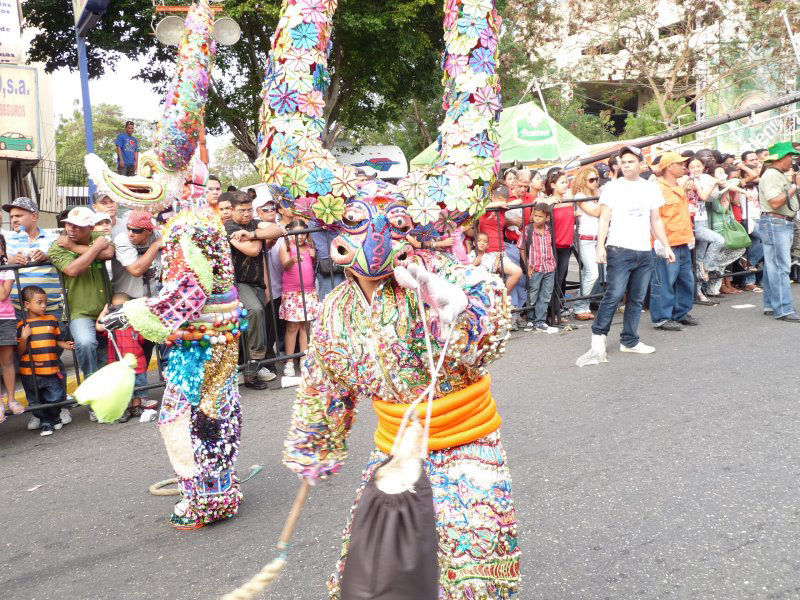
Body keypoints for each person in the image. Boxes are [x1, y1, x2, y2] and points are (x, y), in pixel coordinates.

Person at [576, 146, 674, 366]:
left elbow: (656, 219)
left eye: (631, 161)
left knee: (637, 298)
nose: (627, 165)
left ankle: (629, 340)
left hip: (643, 249)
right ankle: (598, 337)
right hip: (619, 247)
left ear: (641, 164)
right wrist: (600, 246)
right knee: (614, 294)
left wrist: (665, 245)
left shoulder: (650, 188)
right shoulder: (612, 187)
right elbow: (603, 218)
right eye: (624, 161)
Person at [49, 207, 114, 383]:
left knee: (107, 354)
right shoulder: (58, 245)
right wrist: (91, 249)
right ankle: (92, 385)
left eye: (77, 226)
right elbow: (73, 269)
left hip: (107, 307)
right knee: (85, 344)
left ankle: (112, 397)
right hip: (79, 310)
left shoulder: (98, 237)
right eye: (69, 224)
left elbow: (108, 253)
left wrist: (75, 248)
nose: (71, 229)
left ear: (91, 228)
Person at [224, 191, 276, 386]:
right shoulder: (229, 226)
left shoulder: (253, 225)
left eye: (249, 210)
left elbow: (277, 230)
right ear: (232, 210)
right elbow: (253, 250)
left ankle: (251, 376)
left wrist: (253, 234)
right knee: (254, 311)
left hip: (257, 282)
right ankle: (255, 359)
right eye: (241, 210)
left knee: (253, 324)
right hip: (238, 282)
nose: (246, 214)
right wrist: (259, 238)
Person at [16, 286, 74, 436]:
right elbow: (20, 351)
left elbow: (56, 340)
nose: (44, 305)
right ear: (27, 305)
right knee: (35, 401)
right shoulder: (22, 325)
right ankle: (46, 423)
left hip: (50, 369)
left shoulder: (52, 319)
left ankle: (53, 417)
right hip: (30, 372)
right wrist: (23, 337)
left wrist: (65, 345)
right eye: (39, 302)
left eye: (45, 302)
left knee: (55, 397)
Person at [650, 152, 697, 331]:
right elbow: (653, 218)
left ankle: (681, 313)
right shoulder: (658, 188)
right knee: (665, 281)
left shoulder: (676, 186)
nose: (684, 167)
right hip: (668, 243)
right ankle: (662, 317)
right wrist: (658, 241)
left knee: (686, 280)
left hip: (683, 240)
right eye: (680, 164)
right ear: (669, 167)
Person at [757, 142, 800, 322]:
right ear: (782, 158)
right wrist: (794, 187)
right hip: (776, 222)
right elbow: (775, 202)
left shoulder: (775, 174)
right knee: (780, 266)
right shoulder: (773, 175)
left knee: (772, 266)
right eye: (791, 157)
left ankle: (771, 304)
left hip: (777, 222)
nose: (792, 161)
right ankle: (783, 309)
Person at [3, 196, 62, 321]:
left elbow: (62, 258)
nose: (14, 220)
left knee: (53, 341)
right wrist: (13, 260)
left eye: (18, 216)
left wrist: (47, 257)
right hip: (15, 309)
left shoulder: (52, 239)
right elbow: (2, 258)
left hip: (49, 308)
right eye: (12, 217)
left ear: (34, 217)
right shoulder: (5, 239)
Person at [97, 294, 150, 422]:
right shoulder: (111, 326)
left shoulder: (135, 323)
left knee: (139, 385)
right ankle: (124, 409)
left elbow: (143, 339)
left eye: (122, 308)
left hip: (137, 362)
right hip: (119, 364)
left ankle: (136, 406)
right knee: (122, 388)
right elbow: (99, 326)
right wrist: (104, 311)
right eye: (115, 308)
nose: (119, 311)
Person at [279, 219, 320, 377]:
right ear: (289, 233)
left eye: (303, 233)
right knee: (292, 327)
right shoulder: (286, 246)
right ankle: (289, 361)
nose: (300, 236)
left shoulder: (309, 247)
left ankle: (303, 358)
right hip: (292, 292)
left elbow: (313, 266)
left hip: (308, 291)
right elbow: (285, 265)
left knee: (305, 326)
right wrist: (292, 260)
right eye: (296, 233)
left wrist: (314, 255)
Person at [542, 169, 575, 324]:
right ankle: (552, 313)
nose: (566, 185)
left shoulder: (569, 200)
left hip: (566, 244)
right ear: (553, 184)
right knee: (553, 279)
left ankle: (558, 310)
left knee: (561, 278)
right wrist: (550, 202)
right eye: (562, 182)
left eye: (566, 181)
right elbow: (538, 211)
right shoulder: (548, 202)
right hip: (553, 245)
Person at [518, 203, 557, 333]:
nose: (537, 218)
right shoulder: (528, 230)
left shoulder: (549, 230)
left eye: (540, 216)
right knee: (533, 294)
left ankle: (540, 321)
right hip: (535, 268)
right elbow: (522, 248)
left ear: (547, 218)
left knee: (546, 295)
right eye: (535, 215)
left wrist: (553, 264)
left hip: (549, 267)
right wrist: (528, 266)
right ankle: (530, 319)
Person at [572, 166, 602, 320]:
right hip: (586, 239)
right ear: (583, 180)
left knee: (593, 274)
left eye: (596, 179)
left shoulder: (595, 195)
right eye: (591, 179)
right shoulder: (579, 195)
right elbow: (597, 212)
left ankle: (584, 303)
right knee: (592, 273)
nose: (595, 182)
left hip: (598, 238)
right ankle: (579, 305)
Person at [112, 210, 162, 299]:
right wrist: (155, 245)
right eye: (128, 228)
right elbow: (136, 270)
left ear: (150, 231)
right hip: (127, 294)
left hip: (153, 295)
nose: (130, 234)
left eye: (136, 230)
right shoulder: (122, 240)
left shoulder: (159, 235)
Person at [0, 234, 20, 423]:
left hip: (6, 319)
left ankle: (11, 399)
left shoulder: (7, 270)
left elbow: (3, 294)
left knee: (7, 361)